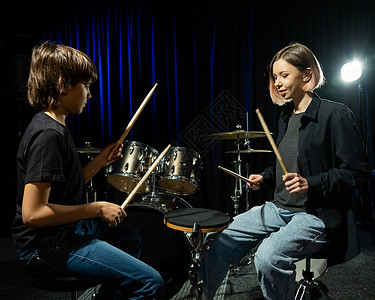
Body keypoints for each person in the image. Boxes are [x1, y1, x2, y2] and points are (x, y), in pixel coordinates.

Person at [198, 43, 370, 299]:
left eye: (284, 75)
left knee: (267, 258)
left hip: (315, 215)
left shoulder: (336, 114)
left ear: (307, 75)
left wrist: (310, 183)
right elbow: (289, 165)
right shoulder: (286, 116)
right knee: (221, 239)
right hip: (278, 208)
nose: (277, 82)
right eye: (275, 77)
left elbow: (357, 172)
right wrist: (266, 176)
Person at [11, 41, 164, 300]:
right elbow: (33, 214)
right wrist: (96, 208)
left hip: (65, 231)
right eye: (86, 86)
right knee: (151, 283)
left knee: (130, 239)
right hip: (45, 244)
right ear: (62, 84)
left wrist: (98, 163)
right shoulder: (47, 135)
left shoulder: (55, 127)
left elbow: (63, 191)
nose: (90, 94)